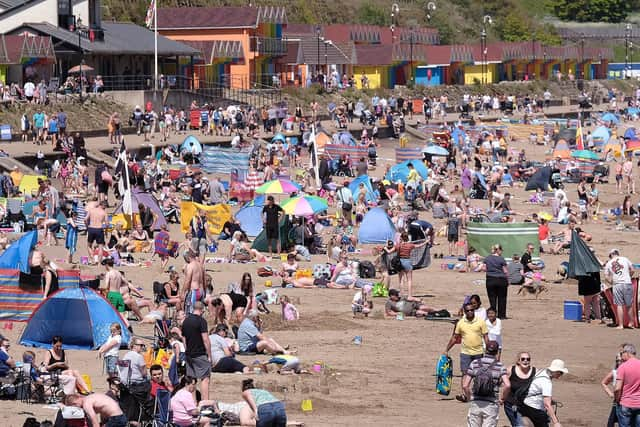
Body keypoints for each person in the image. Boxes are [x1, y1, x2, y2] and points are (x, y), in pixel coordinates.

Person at [443, 302, 489, 402]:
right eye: (467, 310)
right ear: (464, 312)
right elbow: (455, 338)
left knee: (478, 374)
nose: (470, 312)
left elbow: (486, 337)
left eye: (471, 310)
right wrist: (447, 349)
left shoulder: (481, 322)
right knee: (465, 373)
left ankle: (478, 394)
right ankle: (465, 394)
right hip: (465, 353)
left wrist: (489, 351)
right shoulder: (461, 323)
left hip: (479, 352)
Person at [461, 341, 510, 427]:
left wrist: (469, 398)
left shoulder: (475, 363)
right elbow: (508, 385)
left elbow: (465, 386)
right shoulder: (500, 366)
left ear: (485, 349)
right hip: (491, 403)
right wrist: (502, 399)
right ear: (497, 352)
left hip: (476, 402)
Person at [520, 359, 568, 427]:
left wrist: (550, 400)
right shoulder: (547, 382)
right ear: (556, 371)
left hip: (525, 405)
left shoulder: (542, 371)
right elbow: (547, 405)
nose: (561, 375)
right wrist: (556, 422)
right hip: (535, 409)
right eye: (561, 372)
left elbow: (536, 390)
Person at [181, 301, 212, 401]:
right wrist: (209, 355)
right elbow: (205, 339)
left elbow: (184, 338)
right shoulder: (201, 321)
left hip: (189, 354)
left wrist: (187, 350)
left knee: (192, 379)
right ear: (202, 310)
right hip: (200, 353)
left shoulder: (186, 321)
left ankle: (193, 403)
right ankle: (205, 403)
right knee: (205, 378)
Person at [385, 231, 428, 298]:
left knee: (401, 280)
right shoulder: (410, 245)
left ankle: (402, 294)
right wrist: (425, 242)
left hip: (399, 262)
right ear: (407, 238)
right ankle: (409, 295)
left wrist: (385, 247)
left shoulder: (398, 245)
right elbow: (419, 246)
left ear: (401, 238)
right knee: (409, 280)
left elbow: (389, 252)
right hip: (407, 262)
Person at [604, 249, 635, 329]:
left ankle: (621, 325)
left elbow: (606, 276)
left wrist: (611, 282)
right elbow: (632, 270)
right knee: (629, 305)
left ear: (610, 255)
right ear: (618, 253)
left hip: (617, 284)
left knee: (619, 305)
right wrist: (629, 277)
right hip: (627, 283)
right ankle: (631, 323)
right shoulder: (625, 259)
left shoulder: (609, 263)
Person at [504, 352, 536, 427]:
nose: (526, 361)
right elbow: (502, 383)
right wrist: (502, 398)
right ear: (518, 361)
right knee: (519, 425)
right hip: (512, 405)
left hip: (528, 405)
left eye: (528, 359)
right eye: (523, 359)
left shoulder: (535, 372)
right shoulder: (510, 370)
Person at [615, 343, 640, 427]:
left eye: (622, 353)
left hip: (626, 404)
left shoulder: (623, 367)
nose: (621, 356)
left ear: (627, 353)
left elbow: (617, 388)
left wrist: (617, 399)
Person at [483, 244, 509, 319]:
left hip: (490, 279)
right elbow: (505, 271)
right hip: (501, 280)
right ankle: (501, 315)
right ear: (498, 250)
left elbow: (484, 269)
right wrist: (508, 280)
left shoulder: (487, 258)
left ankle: (493, 314)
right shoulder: (501, 259)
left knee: (492, 298)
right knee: (502, 298)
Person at [601, 351, 623, 427]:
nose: (619, 362)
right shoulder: (614, 372)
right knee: (611, 423)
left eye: (621, 360)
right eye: (617, 360)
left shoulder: (629, 371)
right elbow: (603, 382)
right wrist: (610, 393)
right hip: (617, 401)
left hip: (627, 401)